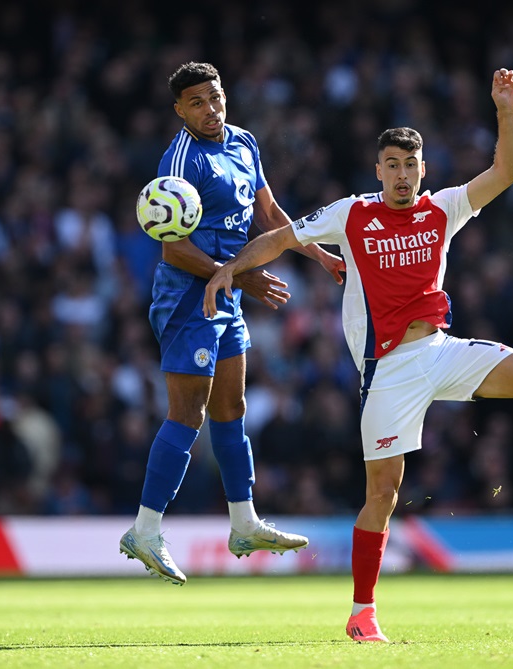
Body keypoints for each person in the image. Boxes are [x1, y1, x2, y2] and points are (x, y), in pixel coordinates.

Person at [202, 69, 513, 639]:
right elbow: (282, 239)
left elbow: (506, 172)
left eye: (411, 165)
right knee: (382, 495)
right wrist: (228, 271)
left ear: (423, 170)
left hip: (439, 349)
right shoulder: (352, 214)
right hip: (386, 372)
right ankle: (362, 614)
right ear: (378, 169)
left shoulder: (442, 210)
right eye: (392, 164)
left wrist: (506, 111)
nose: (402, 174)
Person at [119, 62, 346, 586]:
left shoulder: (244, 142)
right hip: (187, 298)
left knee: (232, 408)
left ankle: (243, 523)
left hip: (227, 290)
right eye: (196, 102)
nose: (210, 108)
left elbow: (269, 214)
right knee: (187, 413)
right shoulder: (179, 159)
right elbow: (173, 247)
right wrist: (242, 278)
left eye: (215, 96)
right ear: (179, 110)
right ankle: (145, 529)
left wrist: (318, 256)